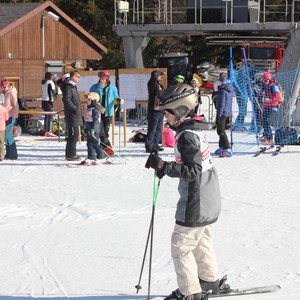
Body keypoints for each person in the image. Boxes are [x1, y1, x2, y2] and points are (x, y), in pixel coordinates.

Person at [146, 83, 230, 300]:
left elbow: (193, 169)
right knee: (201, 240)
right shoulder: (195, 129)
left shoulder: (186, 136)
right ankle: (210, 281)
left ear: (181, 110)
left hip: (197, 197)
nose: (166, 118)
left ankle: (190, 292)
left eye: (168, 113)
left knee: (181, 245)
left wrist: (164, 167)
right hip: (209, 194)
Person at [89, 70, 123, 155]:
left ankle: (103, 148)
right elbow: (90, 98)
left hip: (108, 112)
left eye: (103, 79)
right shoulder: (95, 87)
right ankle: (107, 147)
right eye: (100, 78)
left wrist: (118, 101)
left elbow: (115, 99)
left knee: (105, 130)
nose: (101, 80)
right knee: (100, 131)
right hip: (98, 112)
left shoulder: (112, 88)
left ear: (107, 79)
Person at [62, 70, 83, 161]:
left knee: (74, 134)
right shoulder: (68, 87)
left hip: (76, 114)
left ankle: (70, 154)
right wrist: (74, 108)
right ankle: (71, 154)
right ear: (73, 77)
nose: (79, 78)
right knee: (73, 134)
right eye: (78, 76)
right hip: (72, 114)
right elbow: (67, 100)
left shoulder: (73, 87)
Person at [81, 92, 105, 165]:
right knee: (89, 143)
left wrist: (93, 129)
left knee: (95, 143)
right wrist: (85, 127)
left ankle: (101, 156)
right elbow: (88, 119)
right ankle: (91, 156)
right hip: (89, 128)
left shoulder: (95, 110)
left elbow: (96, 121)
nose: (87, 101)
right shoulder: (89, 108)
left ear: (94, 100)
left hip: (94, 129)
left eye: (89, 100)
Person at [259, 72, 282, 144]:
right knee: (264, 122)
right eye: (263, 81)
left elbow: (277, 98)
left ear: (269, 80)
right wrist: (259, 95)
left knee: (267, 121)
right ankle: (266, 136)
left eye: (266, 81)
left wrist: (269, 100)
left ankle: (270, 138)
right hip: (267, 106)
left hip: (273, 106)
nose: (265, 82)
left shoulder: (274, 87)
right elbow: (260, 94)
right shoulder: (264, 86)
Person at [145, 70, 165, 153]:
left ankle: (156, 145)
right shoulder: (152, 84)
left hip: (160, 110)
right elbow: (154, 76)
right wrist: (160, 72)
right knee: (152, 129)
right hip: (154, 110)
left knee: (158, 129)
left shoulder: (160, 85)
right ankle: (149, 146)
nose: (160, 77)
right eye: (159, 75)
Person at [214, 78, 234, 157]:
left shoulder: (222, 91)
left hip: (223, 113)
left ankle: (227, 148)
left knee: (220, 130)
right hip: (227, 112)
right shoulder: (229, 88)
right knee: (221, 129)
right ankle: (222, 146)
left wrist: (218, 116)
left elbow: (221, 104)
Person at [1, 79, 19, 160]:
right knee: (5, 136)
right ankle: (8, 153)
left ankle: (13, 154)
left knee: (8, 134)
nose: (3, 88)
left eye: (5, 87)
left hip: (11, 115)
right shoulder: (3, 94)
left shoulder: (11, 92)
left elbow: (15, 104)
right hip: (5, 115)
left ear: (8, 86)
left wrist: (16, 114)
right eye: (2, 87)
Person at [41, 72, 57, 137]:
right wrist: (56, 95)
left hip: (43, 100)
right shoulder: (50, 82)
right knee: (50, 116)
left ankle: (46, 131)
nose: (53, 77)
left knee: (46, 116)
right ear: (50, 77)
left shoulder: (43, 83)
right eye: (52, 76)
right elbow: (53, 92)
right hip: (49, 100)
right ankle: (49, 131)